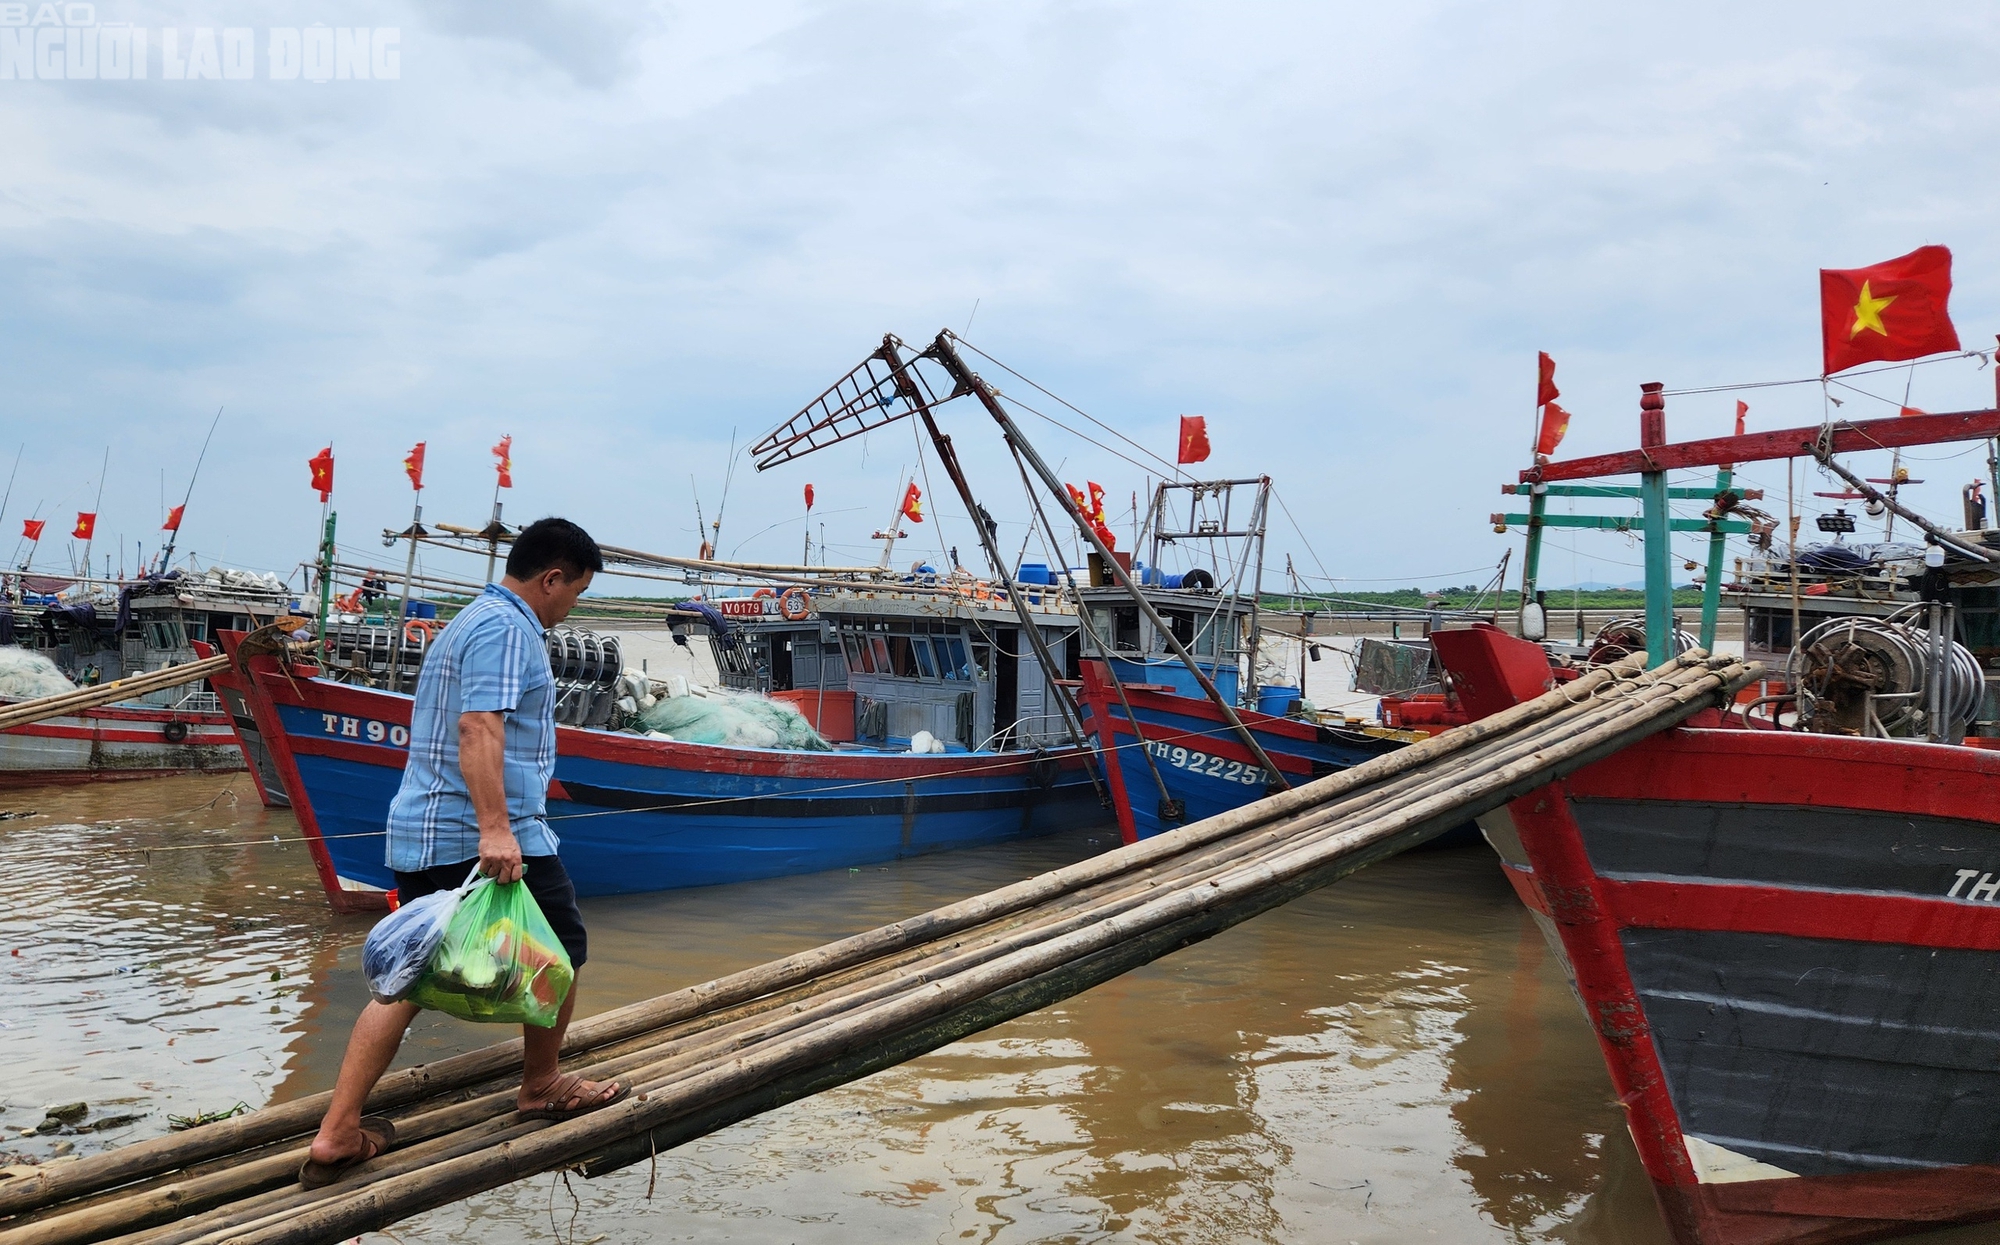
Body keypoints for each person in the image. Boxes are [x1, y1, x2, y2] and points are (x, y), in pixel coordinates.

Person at [300, 517, 623, 1188]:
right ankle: (541, 1083)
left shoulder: (473, 619)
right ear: (551, 577)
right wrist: (497, 830)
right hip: (474, 835)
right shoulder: (508, 629)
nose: (573, 608)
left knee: (411, 977)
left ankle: (337, 1132)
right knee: (562, 947)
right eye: (576, 592)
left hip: (429, 831)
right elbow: (480, 725)